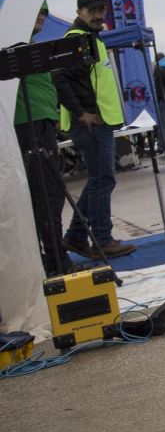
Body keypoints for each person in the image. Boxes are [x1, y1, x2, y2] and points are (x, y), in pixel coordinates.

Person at [53, 0, 134, 261]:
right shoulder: (75, 40)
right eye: (92, 10)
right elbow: (60, 79)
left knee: (100, 179)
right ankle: (102, 239)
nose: (99, 15)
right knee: (103, 180)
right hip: (92, 122)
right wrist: (81, 114)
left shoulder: (91, 38)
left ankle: (76, 237)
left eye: (101, 9)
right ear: (79, 12)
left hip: (100, 120)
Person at [13, 24, 70, 275]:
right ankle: (55, 259)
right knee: (45, 194)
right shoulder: (15, 38)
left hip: (39, 119)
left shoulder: (30, 41)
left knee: (49, 193)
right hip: (29, 122)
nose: (41, 19)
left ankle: (54, 256)